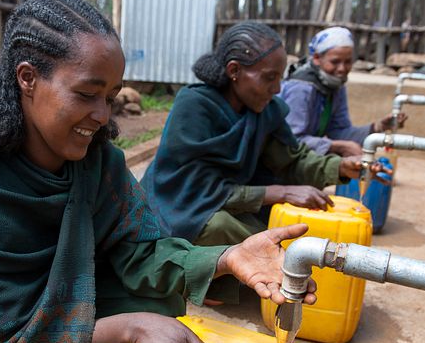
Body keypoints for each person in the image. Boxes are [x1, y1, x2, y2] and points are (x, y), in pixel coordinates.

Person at [0, 0, 316, 343]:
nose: (103, 116)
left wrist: (225, 258)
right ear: (28, 79)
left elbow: (139, 252)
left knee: (158, 307)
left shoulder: (97, 163)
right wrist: (129, 328)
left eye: (109, 98)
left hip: (61, 311)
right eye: (87, 94)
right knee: (147, 329)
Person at [141, 22, 387, 246]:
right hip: (177, 206)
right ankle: (202, 281)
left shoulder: (264, 111)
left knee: (290, 231)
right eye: (269, 78)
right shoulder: (194, 106)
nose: (278, 88)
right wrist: (279, 192)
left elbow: (294, 159)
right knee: (225, 229)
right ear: (234, 70)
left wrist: (341, 167)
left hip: (227, 202)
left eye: (280, 78)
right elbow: (194, 189)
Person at [279, 27, 407, 157]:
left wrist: (377, 127)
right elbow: (291, 140)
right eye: (335, 62)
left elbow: (339, 131)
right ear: (317, 58)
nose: (342, 69)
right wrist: (335, 146)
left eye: (348, 62)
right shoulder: (301, 89)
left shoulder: (335, 86)